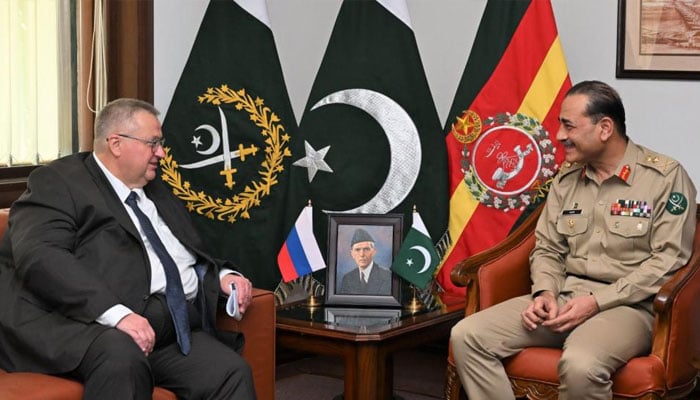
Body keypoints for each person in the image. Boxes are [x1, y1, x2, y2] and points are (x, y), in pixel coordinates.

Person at [449, 80, 696, 399]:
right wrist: (545, 293)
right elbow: (548, 248)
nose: (560, 136)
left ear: (605, 128)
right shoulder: (566, 179)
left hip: (629, 306)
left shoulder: (664, 178)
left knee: (581, 364)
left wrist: (596, 302)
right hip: (564, 296)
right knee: (467, 335)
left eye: (569, 126)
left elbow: (668, 261)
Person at [0, 98, 256, 400]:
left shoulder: (154, 189)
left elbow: (187, 250)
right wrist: (117, 315)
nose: (161, 153)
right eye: (153, 143)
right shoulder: (58, 182)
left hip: (164, 326)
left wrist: (222, 276)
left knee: (229, 372)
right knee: (121, 355)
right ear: (116, 144)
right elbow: (41, 257)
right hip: (79, 322)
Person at [339, 228, 392, 295]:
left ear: (373, 252)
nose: (362, 254)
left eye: (366, 249)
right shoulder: (347, 279)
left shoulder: (387, 276)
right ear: (352, 254)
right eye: (357, 250)